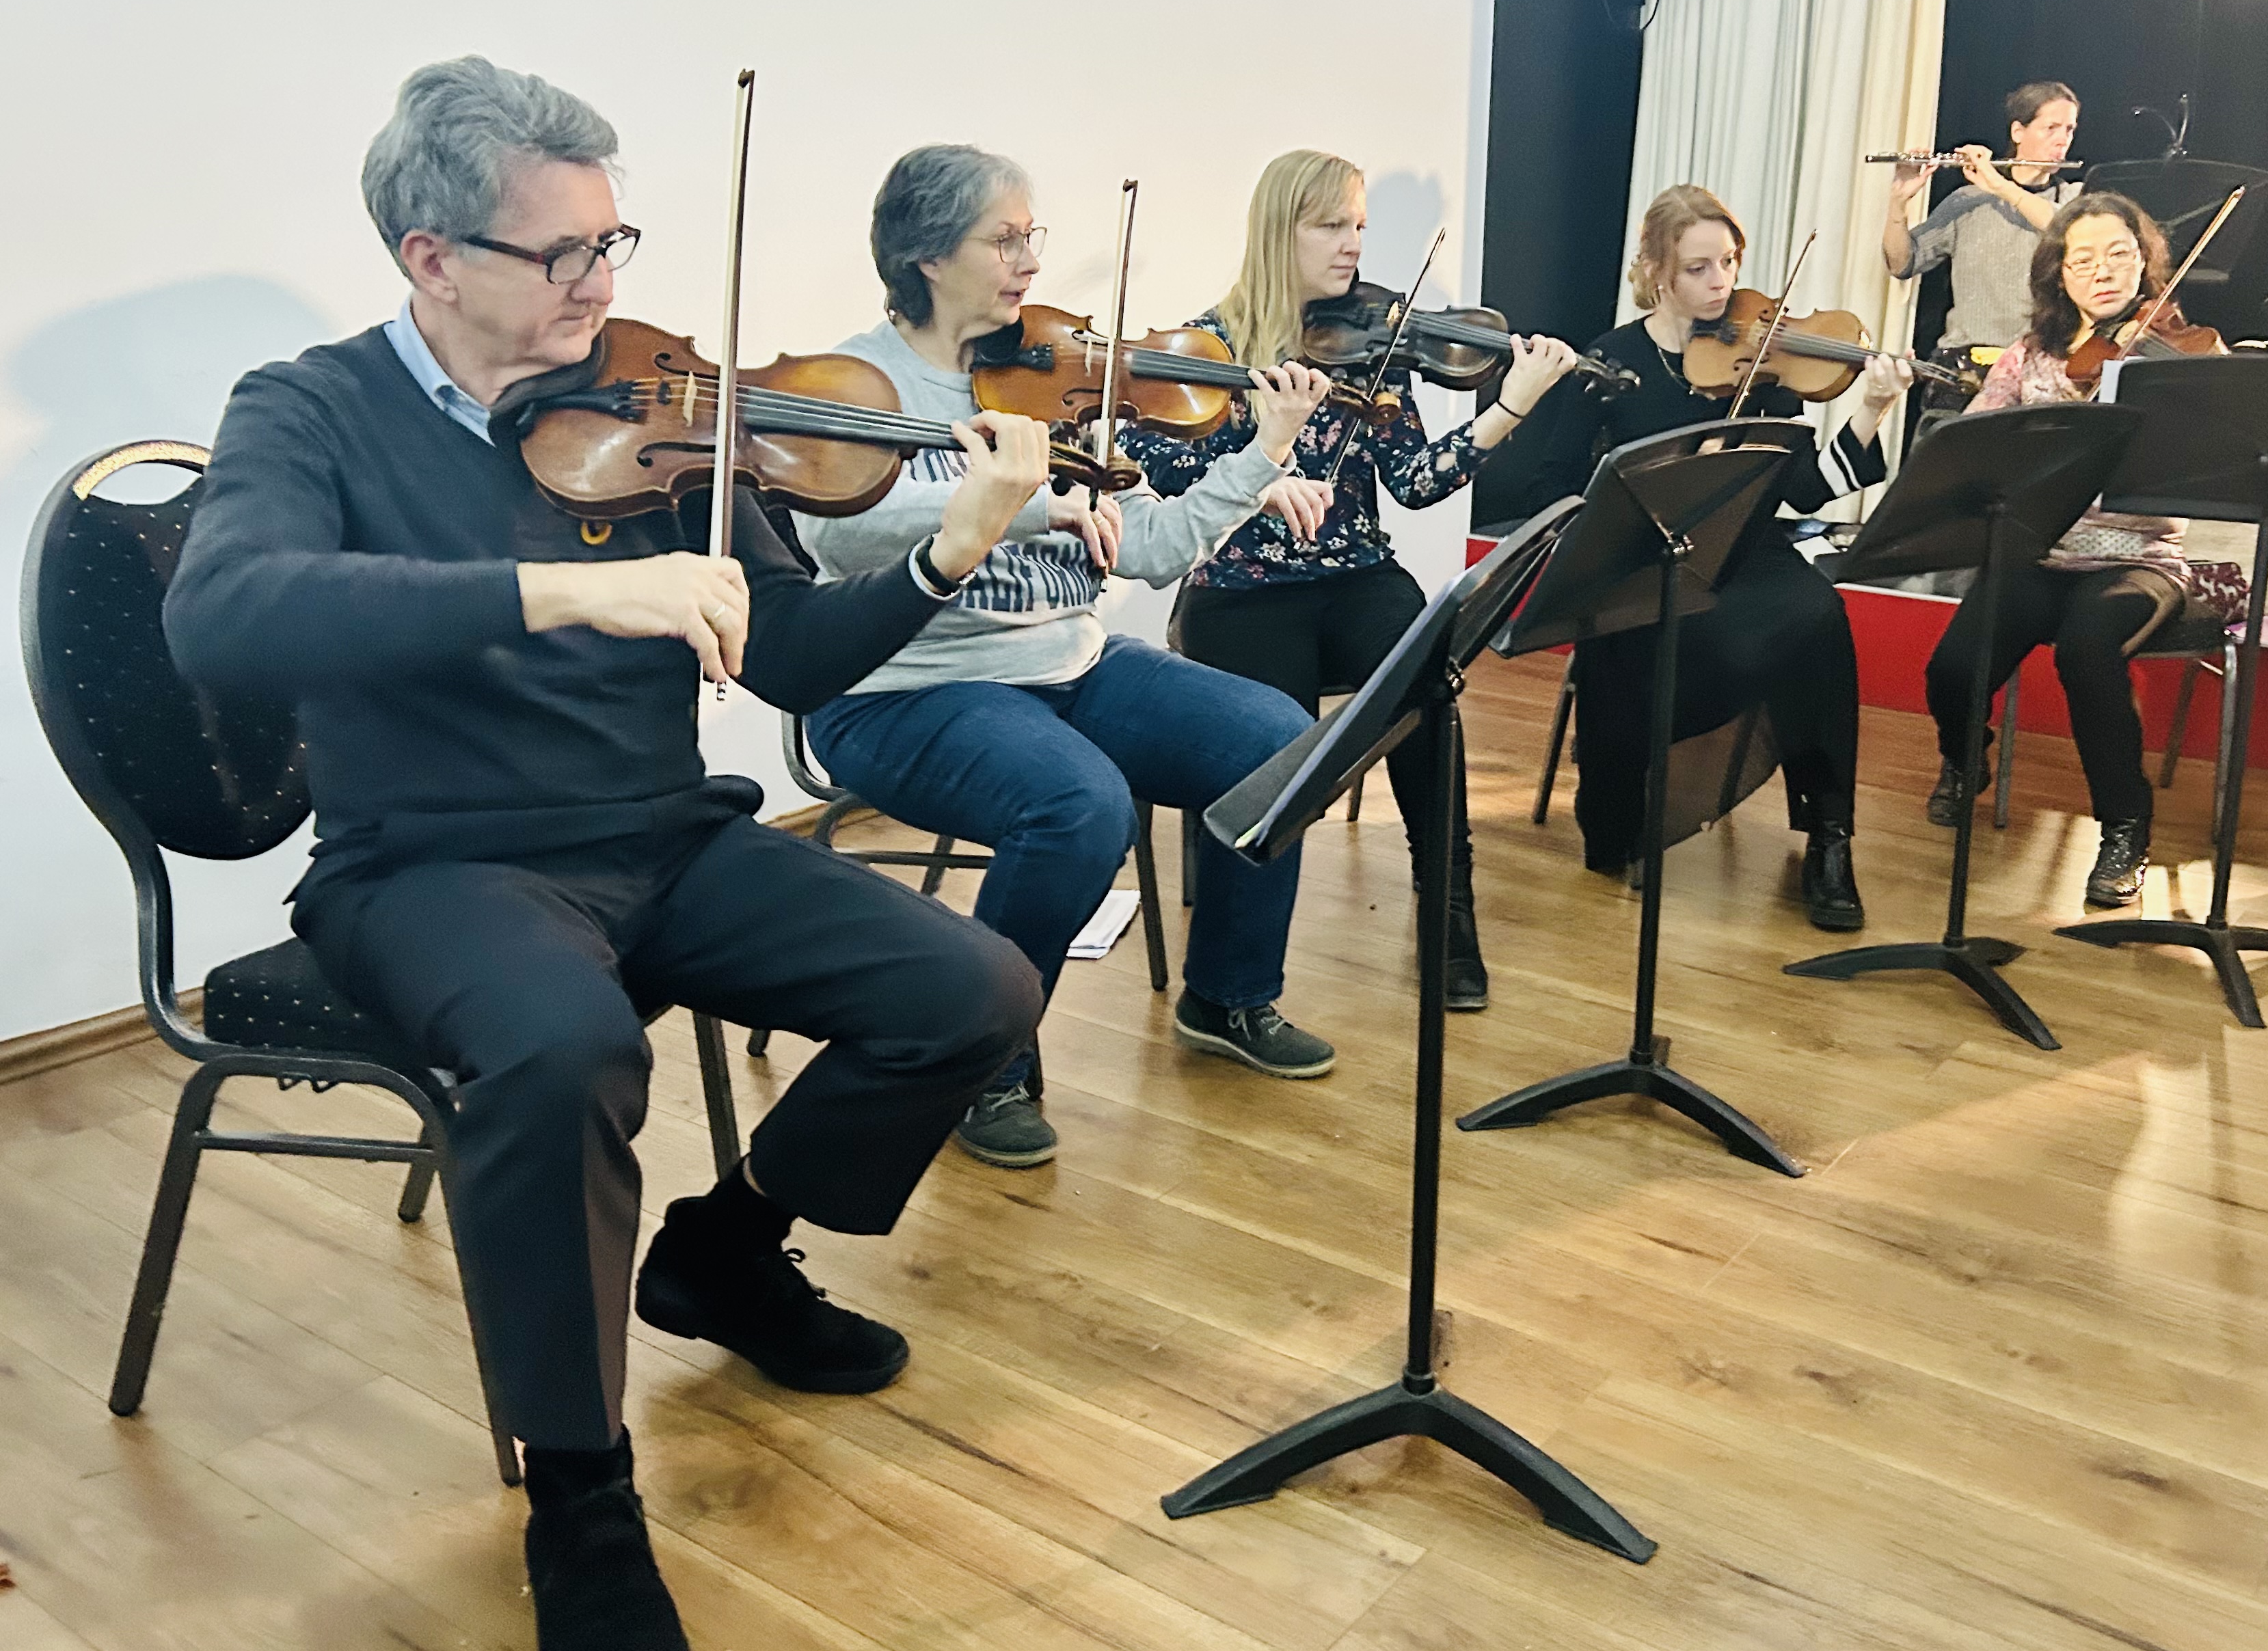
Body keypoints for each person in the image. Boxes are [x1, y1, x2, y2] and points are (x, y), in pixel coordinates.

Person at [163, 59, 1053, 1651]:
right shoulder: (308, 408)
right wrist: (563, 591)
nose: (601, 284)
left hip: (658, 836)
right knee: (568, 1050)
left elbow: (791, 654)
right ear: (433, 258)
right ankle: (580, 1494)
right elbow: (225, 618)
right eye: (561, 253)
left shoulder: (656, 405)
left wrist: (952, 546)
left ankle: (725, 1253)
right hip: (430, 867)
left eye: (611, 242)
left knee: (974, 987)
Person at [800, 144, 1343, 1169]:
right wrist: (1026, 503)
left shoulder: (1049, 379)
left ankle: (1227, 997)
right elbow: (843, 531)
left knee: (1277, 741)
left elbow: (1153, 546)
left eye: (1031, 236)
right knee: (1080, 806)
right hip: (912, 689)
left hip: (1069, 664)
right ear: (927, 256)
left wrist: (1264, 452)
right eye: (1005, 239)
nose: (1031, 261)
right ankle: (981, 1062)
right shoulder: (857, 383)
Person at [1128, 150, 1583, 1011]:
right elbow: (1154, 459)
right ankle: (1239, 975)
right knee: (1271, 746)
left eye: (1360, 225)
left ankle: (1447, 909)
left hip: (1357, 574)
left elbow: (1413, 481)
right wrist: (1257, 478)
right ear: (1280, 231)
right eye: (1331, 225)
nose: (1353, 245)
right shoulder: (1204, 347)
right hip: (1241, 588)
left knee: (1428, 684)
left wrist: (1511, 406)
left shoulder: (1373, 346)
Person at [1520, 182, 1908, 929]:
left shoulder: (1763, 357)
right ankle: (1629, 796)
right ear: (1657, 271)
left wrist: (1871, 407)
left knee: (1818, 615)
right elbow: (1552, 482)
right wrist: (1614, 513)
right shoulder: (1612, 360)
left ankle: (1830, 837)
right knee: (1664, 647)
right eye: (1698, 268)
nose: (1722, 282)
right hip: (1644, 560)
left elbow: (1804, 489)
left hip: (1747, 551)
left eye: (1729, 262)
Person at [1922, 192, 2211, 910]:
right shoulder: (2028, 358)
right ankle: (1965, 759)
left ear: (2144, 261)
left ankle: (2125, 828)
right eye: (2082, 260)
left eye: (2118, 254)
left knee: (2087, 650)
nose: (2102, 271)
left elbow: (2208, 472)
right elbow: (1973, 443)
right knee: (1952, 667)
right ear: (2058, 273)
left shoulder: (2180, 357)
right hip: (2041, 555)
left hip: (2139, 561)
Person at [1883, 79, 2082, 364]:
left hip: (2038, 363)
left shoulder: (2075, 198)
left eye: (2069, 129)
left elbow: (2067, 229)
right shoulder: (1969, 200)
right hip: (1965, 361)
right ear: (2018, 132)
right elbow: (1902, 263)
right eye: (2051, 128)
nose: (2063, 140)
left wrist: (1999, 185)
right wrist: (1898, 202)